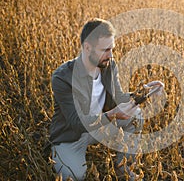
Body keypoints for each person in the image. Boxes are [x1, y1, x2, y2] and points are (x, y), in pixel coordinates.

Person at [49, 18, 163, 180]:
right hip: (72, 136)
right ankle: (59, 154)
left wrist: (144, 92)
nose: (110, 55)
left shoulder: (108, 65)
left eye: (112, 49)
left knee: (136, 115)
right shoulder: (63, 78)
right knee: (74, 175)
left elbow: (119, 97)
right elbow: (76, 122)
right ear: (87, 48)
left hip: (100, 126)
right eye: (105, 50)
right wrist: (112, 115)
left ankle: (123, 169)